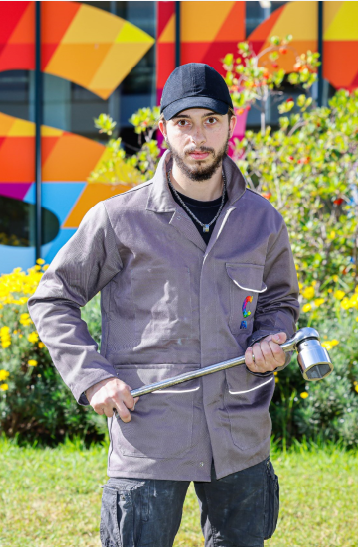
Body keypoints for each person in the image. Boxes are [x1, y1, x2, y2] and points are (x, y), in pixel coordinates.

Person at [27, 63, 300, 547]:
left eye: (211, 120)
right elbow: (53, 297)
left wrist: (269, 337)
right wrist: (93, 378)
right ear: (163, 130)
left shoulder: (261, 220)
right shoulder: (118, 219)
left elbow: (279, 301)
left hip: (240, 432)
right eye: (184, 122)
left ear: (231, 125)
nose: (198, 136)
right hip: (149, 433)